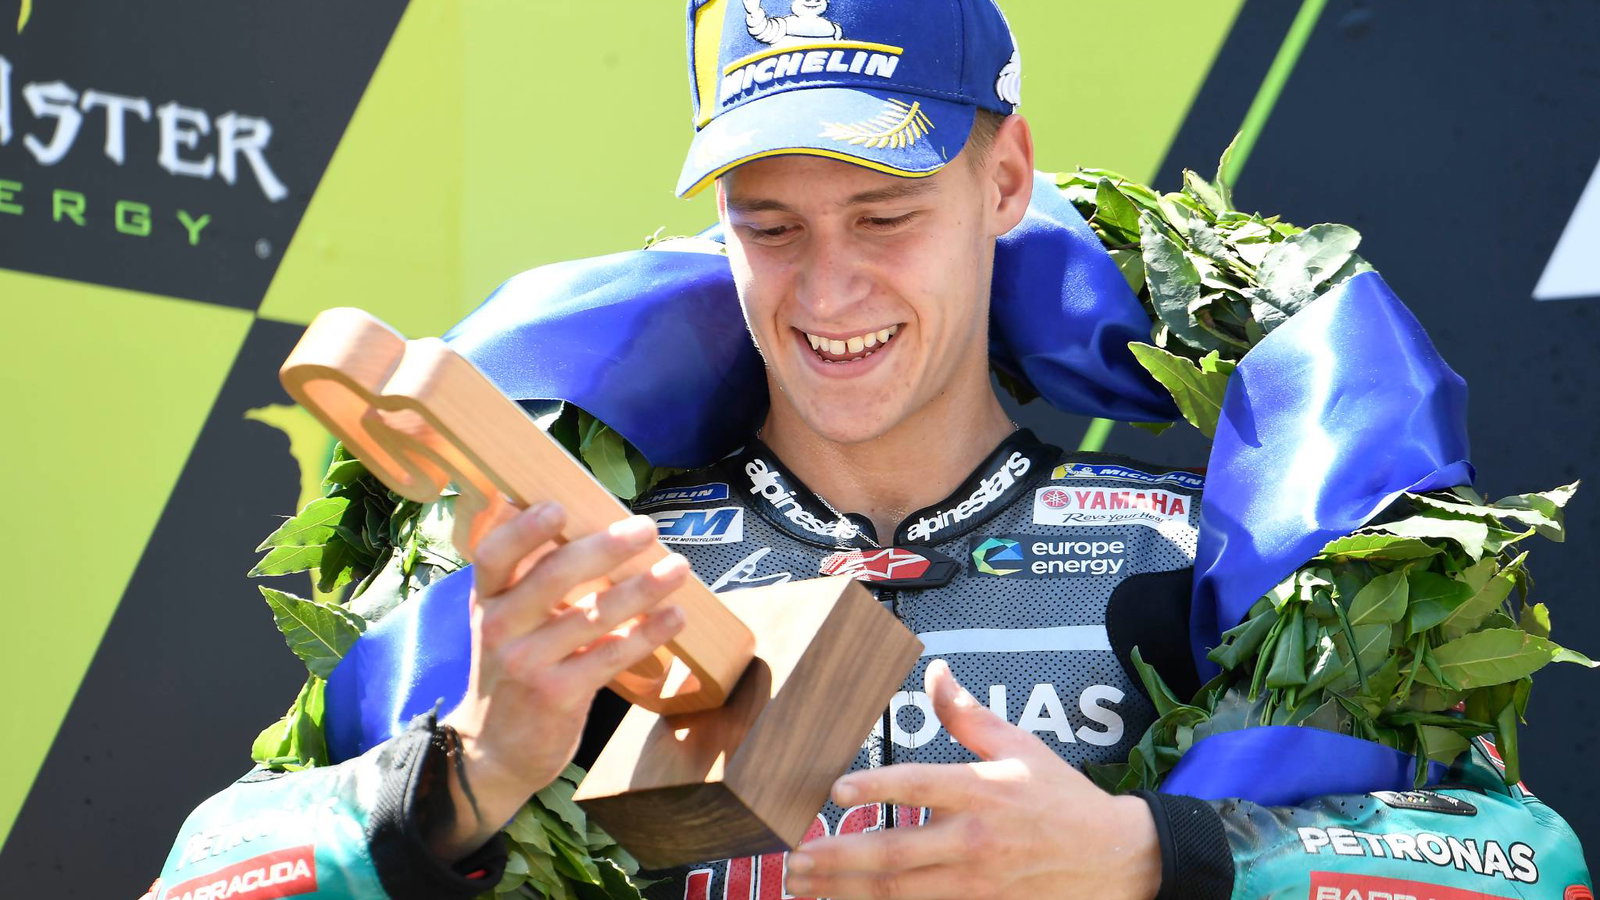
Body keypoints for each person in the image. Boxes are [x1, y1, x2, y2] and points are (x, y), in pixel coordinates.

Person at [150, 1, 1591, 898]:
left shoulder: (1182, 560)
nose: (826, 292)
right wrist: (470, 774)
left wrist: (1156, 859)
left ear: (1005, 178)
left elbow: (1530, 867)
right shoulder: (590, 587)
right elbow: (207, 877)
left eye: (884, 216)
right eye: (769, 226)